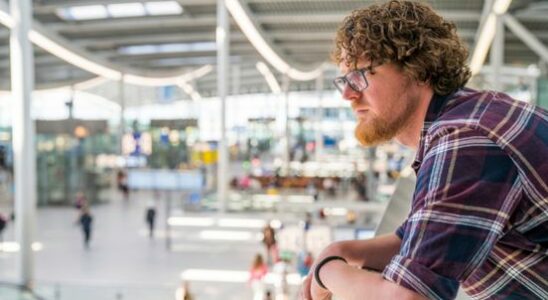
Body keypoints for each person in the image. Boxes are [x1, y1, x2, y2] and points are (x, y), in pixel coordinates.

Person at [300, 1, 548, 300]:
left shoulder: (465, 140)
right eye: (344, 80)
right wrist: (338, 251)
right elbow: (415, 239)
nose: (348, 95)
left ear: (417, 69)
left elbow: (410, 297)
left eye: (359, 76)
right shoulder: (472, 115)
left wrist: (327, 270)